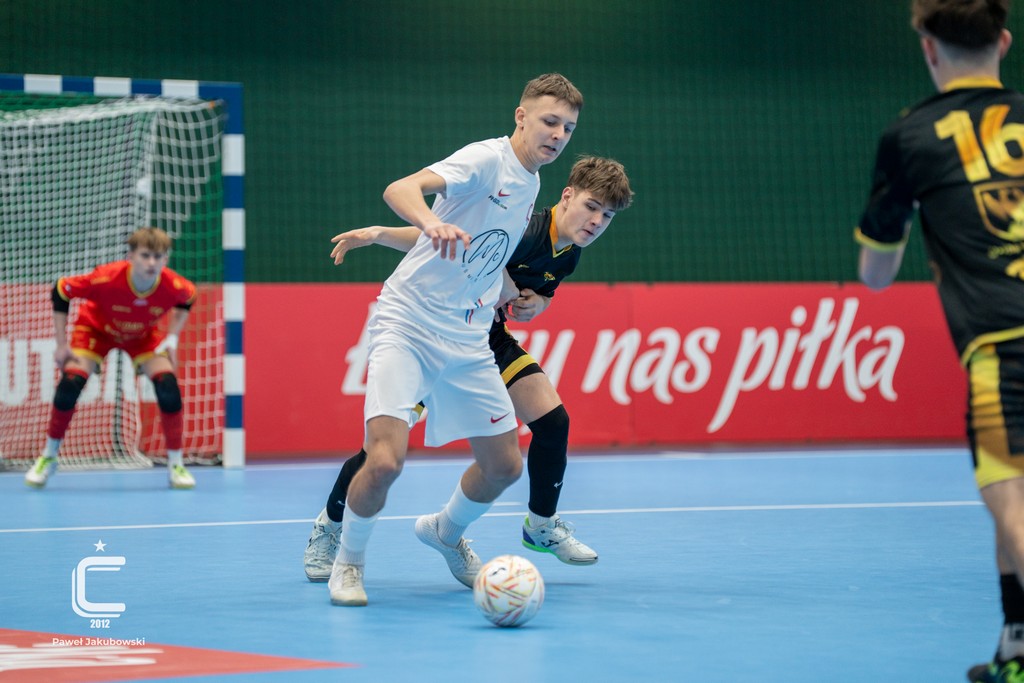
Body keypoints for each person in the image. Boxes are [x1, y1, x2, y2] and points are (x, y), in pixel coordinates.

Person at [303, 156, 634, 583]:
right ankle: (329, 526)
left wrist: (538, 303)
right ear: (567, 196)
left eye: (607, 216)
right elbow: (444, 241)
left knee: (553, 422)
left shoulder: (570, 252)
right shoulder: (526, 228)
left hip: (486, 339)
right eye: (591, 207)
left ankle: (539, 526)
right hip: (436, 333)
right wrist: (380, 233)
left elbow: (536, 291)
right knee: (380, 454)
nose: (597, 221)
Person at [325, 73, 583, 607]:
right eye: (550, 121)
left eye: (568, 128)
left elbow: (482, 252)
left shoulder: (531, 183)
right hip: (409, 323)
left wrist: (522, 297)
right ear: (521, 117)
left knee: (505, 466)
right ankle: (348, 562)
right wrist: (427, 222)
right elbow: (400, 189)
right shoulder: (485, 159)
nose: (558, 135)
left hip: (468, 335)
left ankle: (444, 532)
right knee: (385, 461)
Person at [854, 2, 1024, 680]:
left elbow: (876, 273)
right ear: (1003, 42)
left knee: (1012, 502)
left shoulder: (911, 136)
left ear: (928, 48)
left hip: (1003, 345)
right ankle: (1016, 648)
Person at [24, 227, 197, 490]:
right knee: (70, 382)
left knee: (168, 386)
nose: (152, 263)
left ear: (166, 259)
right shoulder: (106, 277)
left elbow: (189, 298)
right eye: (145, 255)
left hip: (142, 336)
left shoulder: (173, 285)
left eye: (158, 257)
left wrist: (172, 337)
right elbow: (61, 289)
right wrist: (61, 345)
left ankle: (176, 464)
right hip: (96, 331)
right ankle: (48, 456)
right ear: (131, 256)